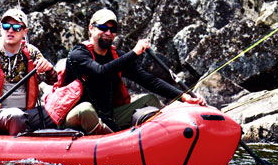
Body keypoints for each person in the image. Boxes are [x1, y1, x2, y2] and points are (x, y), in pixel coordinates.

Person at [53, 8, 206, 134]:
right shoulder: (78, 54)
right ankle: (113, 140)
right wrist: (134, 53)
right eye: (103, 27)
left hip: (108, 117)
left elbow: (149, 80)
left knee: (150, 100)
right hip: (75, 117)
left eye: (113, 29)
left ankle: (155, 137)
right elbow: (100, 72)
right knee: (86, 109)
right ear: (91, 28)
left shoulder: (115, 55)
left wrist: (184, 97)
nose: (108, 32)